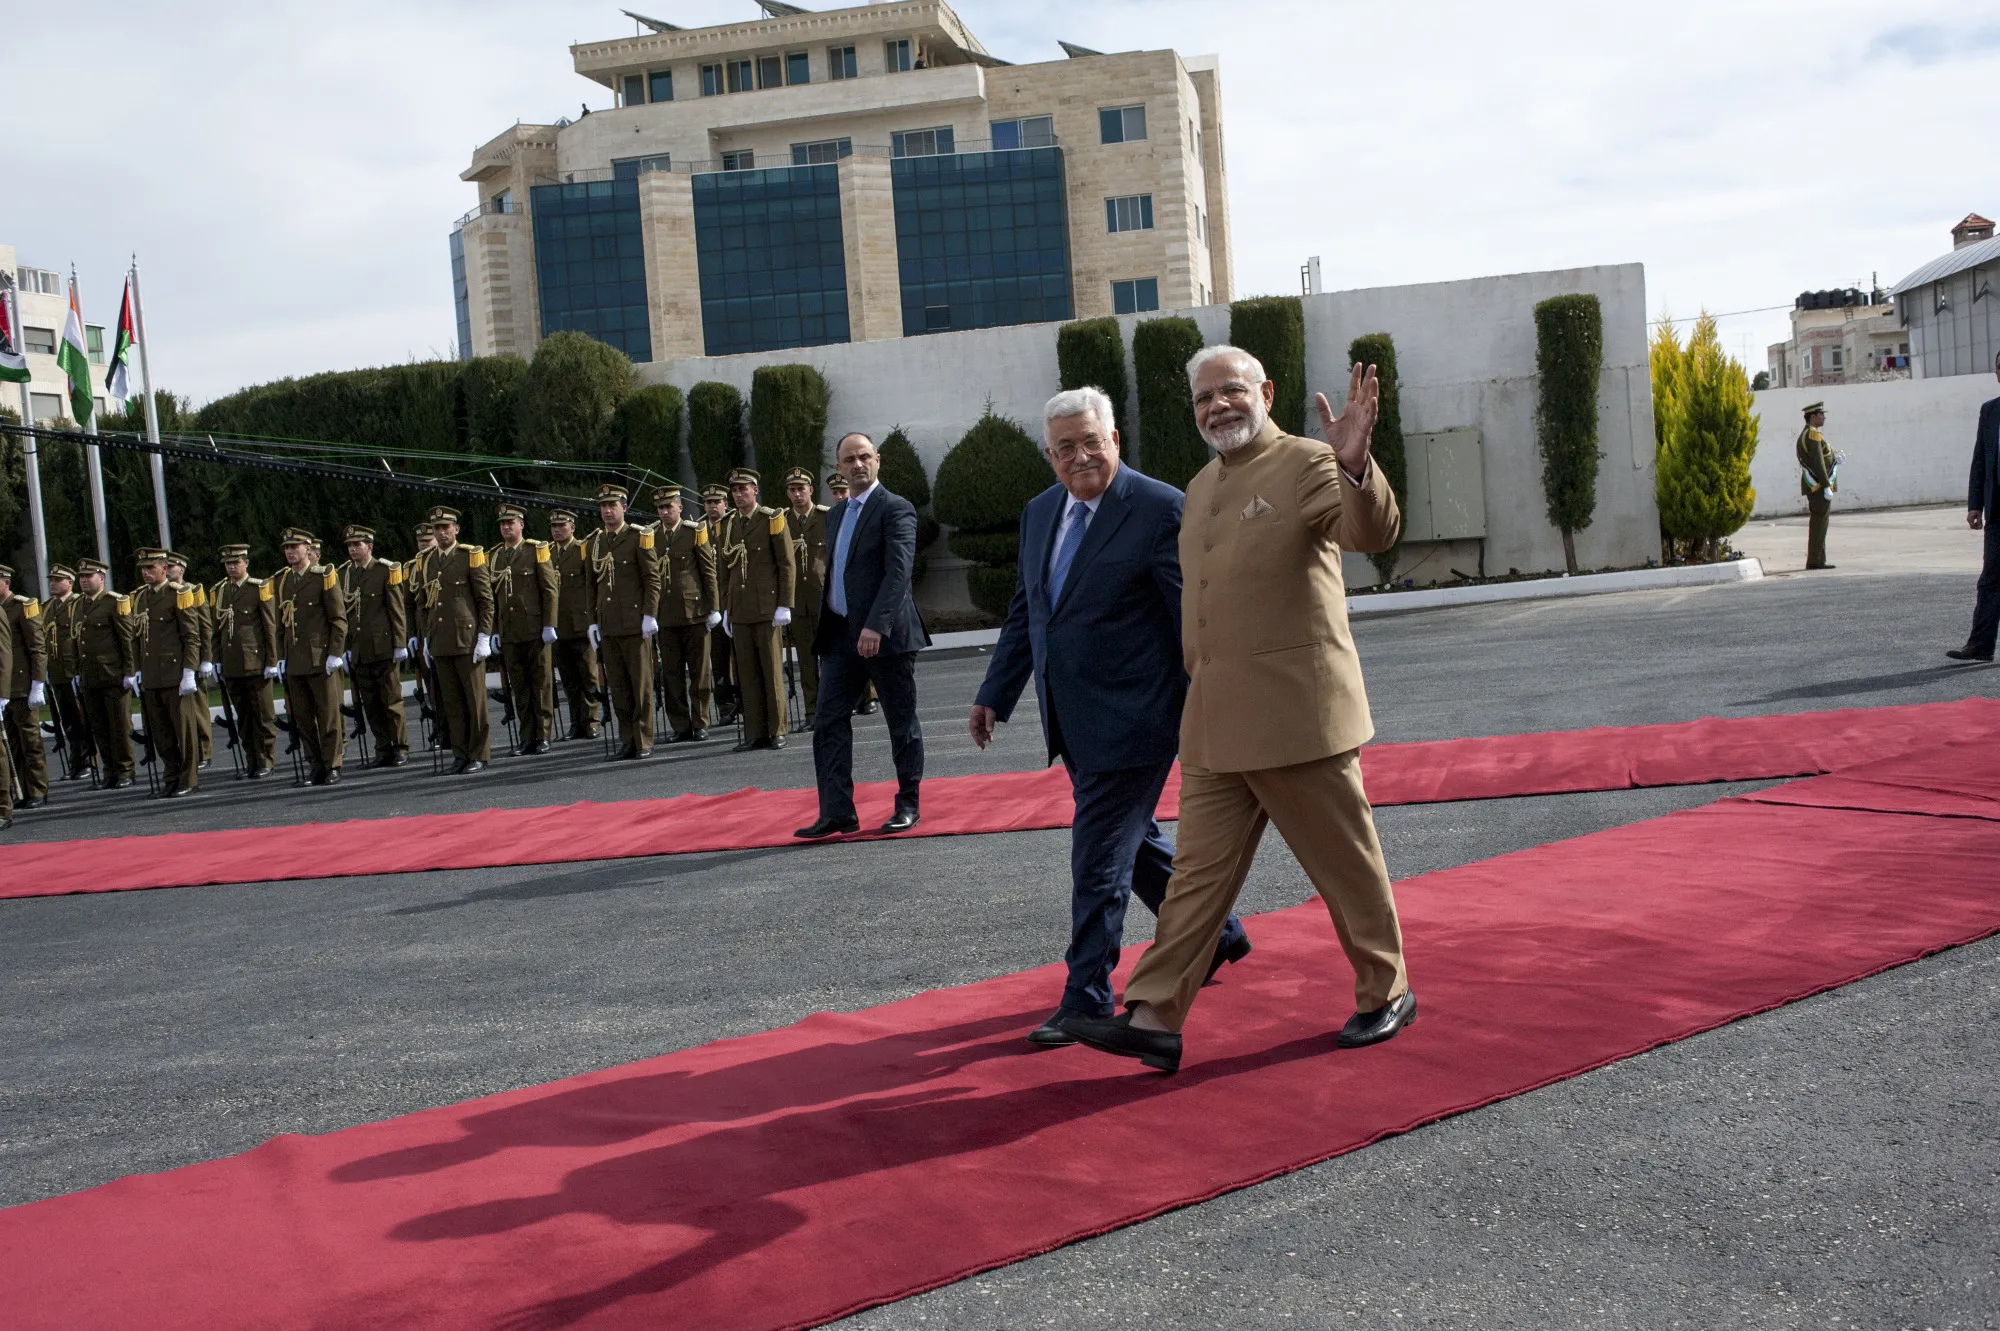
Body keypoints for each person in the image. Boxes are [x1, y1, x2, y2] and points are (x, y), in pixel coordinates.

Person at [1067, 349, 1413, 1074]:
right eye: (1204, 398)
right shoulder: (1198, 487)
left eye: (1231, 391)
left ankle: (1387, 988)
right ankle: (1156, 1014)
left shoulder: (1306, 462)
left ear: (1266, 392)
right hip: (1217, 719)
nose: (1218, 406)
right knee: (1195, 877)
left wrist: (1355, 465)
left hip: (1298, 715)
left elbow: (1370, 532)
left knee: (1345, 866)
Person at [971, 388, 1253, 1046]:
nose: (1080, 456)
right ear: (1049, 455)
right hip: (1071, 719)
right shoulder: (1040, 513)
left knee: (1098, 857)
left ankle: (1087, 995)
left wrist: (1214, 706)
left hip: (1140, 719)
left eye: (1090, 441)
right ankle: (1219, 935)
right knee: (1136, 841)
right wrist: (995, 692)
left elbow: (1194, 617)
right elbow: (1028, 611)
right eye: (1065, 447)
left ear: (1115, 439)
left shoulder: (1158, 508)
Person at [795, 432, 928, 837]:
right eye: (849, 459)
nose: (857, 465)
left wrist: (875, 624)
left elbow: (898, 573)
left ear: (877, 461)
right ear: (838, 468)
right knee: (828, 721)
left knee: (900, 722)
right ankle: (838, 811)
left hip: (884, 636)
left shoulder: (896, 509)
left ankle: (908, 804)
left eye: (864, 457)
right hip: (840, 636)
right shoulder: (835, 514)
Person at [719, 466, 797, 752]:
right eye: (735, 490)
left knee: (771, 670)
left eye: (744, 489)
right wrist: (725, 607)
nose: (739, 495)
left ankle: (776, 729)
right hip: (739, 609)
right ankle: (755, 731)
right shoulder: (727, 525)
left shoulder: (772, 519)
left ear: (755, 490)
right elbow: (723, 570)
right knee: (747, 674)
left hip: (766, 607)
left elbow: (786, 564)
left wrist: (784, 604)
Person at [584, 484, 661, 760]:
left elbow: (652, 578)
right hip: (609, 624)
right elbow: (591, 586)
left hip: (634, 621)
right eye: (603, 506)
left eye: (612, 505)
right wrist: (592, 621)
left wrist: (649, 614)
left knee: (640, 685)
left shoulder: (639, 536)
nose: (607, 511)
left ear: (624, 508)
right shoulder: (594, 542)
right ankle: (626, 739)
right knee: (618, 686)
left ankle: (643, 740)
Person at [420, 506, 495, 775]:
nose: (441, 533)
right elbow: (425, 604)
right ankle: (460, 752)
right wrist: (426, 638)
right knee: (451, 702)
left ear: (456, 529)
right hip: (441, 640)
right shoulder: (427, 561)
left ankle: (479, 753)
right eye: (436, 529)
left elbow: (485, 601)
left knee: (474, 701)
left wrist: (484, 636)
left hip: (467, 639)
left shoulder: (470, 556)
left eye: (445, 528)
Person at [278, 530, 348, 787]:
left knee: (328, 716)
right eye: (287, 547)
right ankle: (315, 764)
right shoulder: (285, 580)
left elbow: (338, 619)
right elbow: (281, 623)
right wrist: (280, 656)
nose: (290, 551)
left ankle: (333, 765)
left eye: (295, 546)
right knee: (303, 718)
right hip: (295, 659)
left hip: (320, 658)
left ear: (308, 548)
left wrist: (334, 653)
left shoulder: (324, 576)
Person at [132, 548, 203, 799]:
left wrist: (188, 671)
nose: (146, 572)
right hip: (151, 675)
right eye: (143, 568)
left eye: (151, 568)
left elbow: (191, 636)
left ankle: (188, 779)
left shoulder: (179, 594)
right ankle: (171, 777)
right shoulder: (140, 597)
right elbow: (136, 637)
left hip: (174, 673)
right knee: (161, 733)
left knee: (182, 731)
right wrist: (136, 670)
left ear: (165, 568)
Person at [652, 485, 720, 742]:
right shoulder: (650, 536)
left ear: (680, 508)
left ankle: (700, 721)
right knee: (672, 674)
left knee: (700, 672)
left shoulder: (695, 532)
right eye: (660, 508)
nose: (665, 512)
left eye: (669, 506)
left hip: (695, 612)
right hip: (665, 615)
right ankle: (680, 724)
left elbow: (708, 572)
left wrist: (713, 607)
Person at [339, 524, 411, 767]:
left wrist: (399, 643)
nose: (353, 549)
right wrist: (346, 648)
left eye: (357, 545)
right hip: (360, 650)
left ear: (369, 546)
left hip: (384, 646)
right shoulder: (345, 575)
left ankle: (400, 747)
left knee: (391, 701)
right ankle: (382, 748)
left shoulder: (384, 570)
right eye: (349, 545)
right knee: (370, 704)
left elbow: (396, 609)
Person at [490, 505, 559, 755]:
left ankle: (543, 735)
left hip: (535, 627)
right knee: (519, 687)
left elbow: (549, 589)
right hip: (509, 631)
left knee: (540, 684)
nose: (506, 527)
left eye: (511, 522)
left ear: (521, 524)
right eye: (503, 523)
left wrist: (549, 624)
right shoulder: (495, 556)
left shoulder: (536, 551)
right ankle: (526, 736)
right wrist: (494, 630)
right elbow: (493, 597)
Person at [1948, 351, 2000, 663]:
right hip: (1998, 510)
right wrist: (1974, 504)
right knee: (1990, 579)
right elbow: (1980, 459)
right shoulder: (1990, 411)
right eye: (1999, 366)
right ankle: (1980, 646)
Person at [212, 544, 278, 779]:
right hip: (232, 665)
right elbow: (216, 631)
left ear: (246, 563)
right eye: (228, 564)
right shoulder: (221, 591)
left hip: (255, 661)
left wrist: (272, 660)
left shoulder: (259, 588)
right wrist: (217, 659)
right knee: (244, 718)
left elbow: (269, 627)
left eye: (236, 562)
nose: (231, 567)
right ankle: (251, 759)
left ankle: (266, 760)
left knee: (262, 716)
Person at [71, 559, 137, 788]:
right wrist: (76, 671)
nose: (84, 580)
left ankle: (125, 770)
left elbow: (127, 639)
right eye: (81, 577)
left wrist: (130, 671)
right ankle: (109, 770)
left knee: (119, 725)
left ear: (101, 578)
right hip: (90, 675)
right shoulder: (79, 605)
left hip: (113, 673)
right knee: (98, 726)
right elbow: (76, 639)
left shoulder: (114, 602)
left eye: (89, 576)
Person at [548, 509, 601, 738]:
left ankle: (591, 721)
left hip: (580, 622)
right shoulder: (547, 553)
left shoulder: (583, 550)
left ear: (572, 527)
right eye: (554, 526)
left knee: (588, 675)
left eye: (562, 525)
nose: (557, 530)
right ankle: (575, 722)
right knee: (568, 678)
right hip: (559, 625)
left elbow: (592, 585)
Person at [783, 466, 830, 727]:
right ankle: (812, 712)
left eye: (801, 488)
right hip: (797, 601)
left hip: (823, 598)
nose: (798, 494)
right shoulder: (781, 522)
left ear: (811, 490)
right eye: (792, 490)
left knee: (831, 658)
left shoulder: (826, 518)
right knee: (806, 660)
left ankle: (833, 708)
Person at [1, 564, 49, 808]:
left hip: (22, 684)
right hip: (4, 688)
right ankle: (22, 790)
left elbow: (37, 648)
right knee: (12, 743)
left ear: (6, 582)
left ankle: (38, 789)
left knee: (30, 741)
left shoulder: (23, 606)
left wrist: (38, 684)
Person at [41, 565, 90, 779]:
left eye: (58, 580)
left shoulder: (77, 603)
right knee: (67, 719)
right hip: (56, 671)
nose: (53, 583)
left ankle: (89, 760)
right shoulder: (46, 607)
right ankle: (76, 761)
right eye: (51, 579)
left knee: (83, 716)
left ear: (70, 583)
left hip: (73, 669)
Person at [702, 484, 739, 725]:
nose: (713, 507)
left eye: (717, 502)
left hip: (735, 601)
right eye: (709, 503)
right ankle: (725, 704)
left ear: (726, 504)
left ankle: (746, 699)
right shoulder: (699, 530)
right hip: (713, 606)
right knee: (718, 657)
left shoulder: (735, 526)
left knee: (742, 655)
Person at [1797, 402, 1837, 571]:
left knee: (1820, 523)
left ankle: (1818, 558)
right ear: (1812, 417)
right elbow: (1818, 462)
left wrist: (1835, 459)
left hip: (1818, 486)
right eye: (1821, 414)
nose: (1824, 417)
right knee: (1819, 523)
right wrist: (1826, 485)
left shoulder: (1810, 433)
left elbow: (1823, 456)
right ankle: (1815, 561)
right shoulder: (1812, 434)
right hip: (1818, 487)